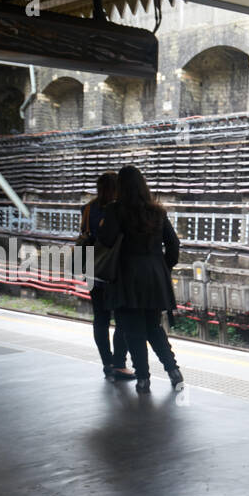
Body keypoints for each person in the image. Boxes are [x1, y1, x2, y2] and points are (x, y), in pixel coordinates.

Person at [97, 165, 184, 394]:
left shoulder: (116, 210)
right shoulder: (157, 211)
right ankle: (174, 371)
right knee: (154, 327)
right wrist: (163, 267)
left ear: (121, 188)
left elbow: (105, 241)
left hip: (127, 277)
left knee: (133, 330)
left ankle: (143, 379)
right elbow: (173, 245)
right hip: (155, 277)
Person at [77, 171, 134, 381]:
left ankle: (106, 363)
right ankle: (119, 364)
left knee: (100, 319)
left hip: (94, 270)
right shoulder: (121, 209)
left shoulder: (88, 208)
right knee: (122, 319)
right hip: (116, 271)